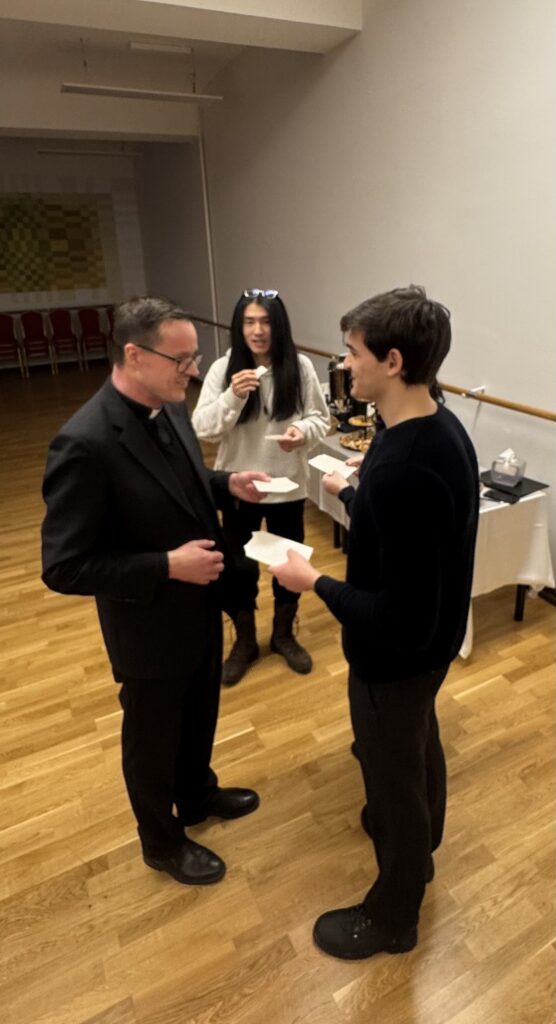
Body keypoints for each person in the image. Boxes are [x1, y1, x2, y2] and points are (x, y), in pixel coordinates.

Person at [271, 285, 479, 959]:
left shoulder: (405, 466)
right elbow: (408, 544)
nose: (344, 365)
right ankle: (420, 848)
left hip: (396, 657)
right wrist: (356, 490)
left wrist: (313, 582)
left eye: (352, 352)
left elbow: (398, 614)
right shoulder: (438, 428)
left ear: (392, 361)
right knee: (417, 744)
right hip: (431, 649)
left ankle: (394, 915)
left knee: (394, 781)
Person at [41, 296, 271, 886]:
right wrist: (166, 566)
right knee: (151, 738)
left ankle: (196, 795)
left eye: (194, 357)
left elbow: (181, 485)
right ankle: (161, 842)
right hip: (146, 624)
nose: (193, 370)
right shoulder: (84, 443)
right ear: (135, 355)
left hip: (198, 605)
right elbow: (64, 567)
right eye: (182, 359)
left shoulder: (168, 406)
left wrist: (226, 484)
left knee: (200, 711)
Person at [192, 289, 330, 685]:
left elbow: (320, 419)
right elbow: (203, 428)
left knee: (288, 564)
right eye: (249, 322)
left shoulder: (299, 367)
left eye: (266, 322)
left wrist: (301, 431)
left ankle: (284, 634)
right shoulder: (224, 369)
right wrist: (233, 397)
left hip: (287, 488)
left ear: (278, 326)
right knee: (239, 568)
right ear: (239, 327)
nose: (258, 330)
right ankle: (245, 641)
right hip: (238, 488)